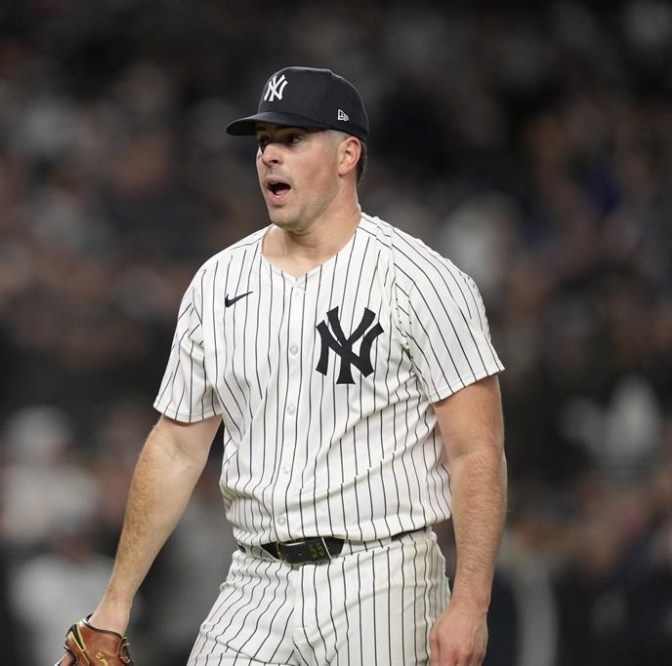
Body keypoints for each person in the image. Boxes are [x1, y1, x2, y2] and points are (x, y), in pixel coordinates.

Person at [64, 66, 507, 665]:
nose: (270, 154)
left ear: (348, 153)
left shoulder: (424, 282)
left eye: (293, 139)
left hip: (381, 579)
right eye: (263, 141)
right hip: (253, 579)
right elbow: (176, 447)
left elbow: (476, 452)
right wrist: (114, 605)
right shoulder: (218, 282)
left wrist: (471, 603)